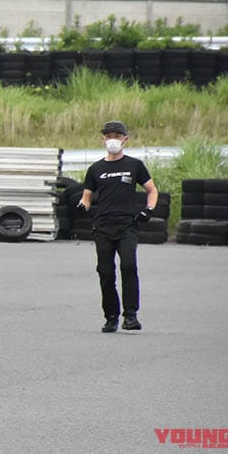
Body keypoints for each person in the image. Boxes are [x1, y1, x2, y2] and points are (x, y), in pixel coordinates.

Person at [78, 120, 158, 333]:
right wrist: (82, 206)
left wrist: (149, 210)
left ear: (125, 139)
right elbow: (87, 197)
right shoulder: (95, 169)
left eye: (117, 136)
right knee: (105, 272)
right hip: (103, 226)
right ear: (103, 139)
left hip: (127, 226)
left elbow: (152, 190)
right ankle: (111, 317)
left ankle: (130, 316)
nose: (112, 139)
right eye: (108, 136)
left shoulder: (134, 165)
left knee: (128, 266)